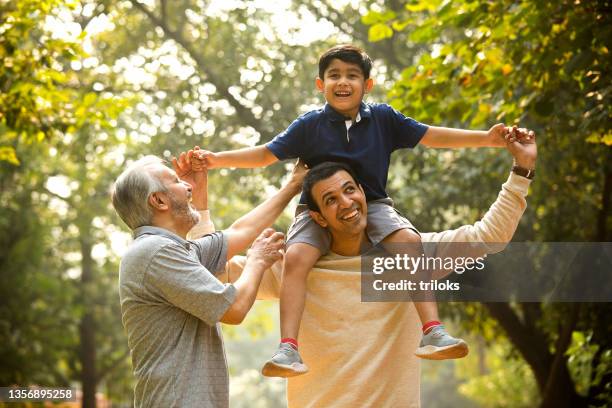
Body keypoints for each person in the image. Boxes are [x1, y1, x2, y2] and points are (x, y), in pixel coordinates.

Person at [200, 44, 534, 375]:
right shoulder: (309, 125)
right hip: (314, 210)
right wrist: (216, 161)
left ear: (367, 85)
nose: (342, 82)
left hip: (372, 203)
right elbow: (264, 155)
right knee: (298, 257)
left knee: (407, 241)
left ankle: (432, 329)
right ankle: (288, 346)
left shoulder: (384, 119)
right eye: (333, 76)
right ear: (320, 85)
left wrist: (487, 139)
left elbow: (432, 136)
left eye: (351, 76)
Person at [214, 132, 537, 407]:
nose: (346, 202)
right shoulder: (292, 269)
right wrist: (202, 200)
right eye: (330, 199)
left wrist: (522, 169)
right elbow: (211, 274)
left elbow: (489, 236)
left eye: (350, 190)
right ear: (319, 218)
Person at [110, 148, 306, 408]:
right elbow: (234, 309)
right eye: (177, 182)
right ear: (159, 201)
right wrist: (257, 261)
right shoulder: (155, 252)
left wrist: (293, 185)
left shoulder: (177, 250)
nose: (188, 187)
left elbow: (242, 231)